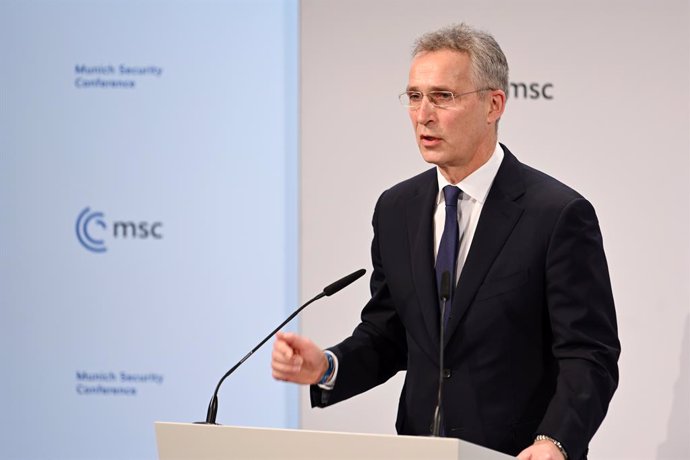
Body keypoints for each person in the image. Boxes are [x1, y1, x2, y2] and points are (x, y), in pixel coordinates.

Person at [271, 23, 620, 460]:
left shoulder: (556, 214)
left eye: (443, 97)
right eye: (414, 97)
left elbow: (590, 355)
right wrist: (327, 366)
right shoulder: (396, 208)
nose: (423, 115)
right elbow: (389, 334)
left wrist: (555, 441)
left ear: (493, 105)